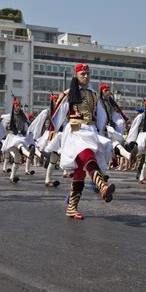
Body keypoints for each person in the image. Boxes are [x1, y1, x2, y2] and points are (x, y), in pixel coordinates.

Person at [51, 63, 115, 220]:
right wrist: (53, 131)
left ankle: (72, 207)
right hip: (75, 132)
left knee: (80, 171)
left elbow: (100, 116)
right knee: (87, 155)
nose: (85, 76)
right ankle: (101, 186)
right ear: (76, 76)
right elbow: (58, 113)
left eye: (87, 74)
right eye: (82, 74)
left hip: (90, 131)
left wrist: (102, 130)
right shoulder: (69, 93)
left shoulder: (94, 94)